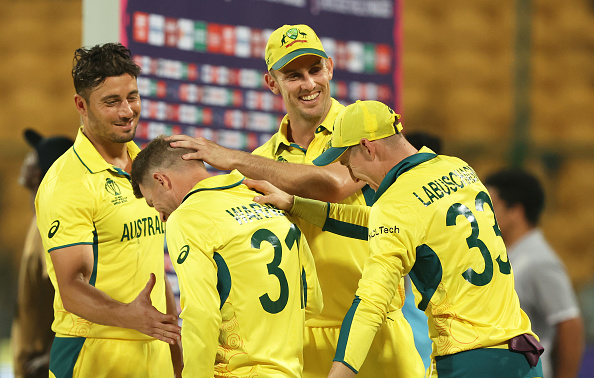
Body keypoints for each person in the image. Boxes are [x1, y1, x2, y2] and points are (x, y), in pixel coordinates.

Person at [167, 24, 424, 377]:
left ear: (330, 68)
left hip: (375, 327)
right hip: (297, 342)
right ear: (272, 83)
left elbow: (331, 185)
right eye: (293, 75)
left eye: (315, 69)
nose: (309, 84)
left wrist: (234, 159)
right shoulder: (263, 159)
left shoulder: (364, 133)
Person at [245, 100, 544, 378]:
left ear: (368, 147)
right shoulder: (459, 168)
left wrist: (339, 373)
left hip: (469, 360)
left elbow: (370, 302)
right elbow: (386, 222)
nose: (352, 173)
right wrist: (296, 204)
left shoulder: (396, 203)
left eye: (348, 160)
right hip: (523, 353)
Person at [34, 43, 181, 378]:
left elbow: (152, 266)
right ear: (81, 105)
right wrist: (131, 316)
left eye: (132, 97)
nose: (127, 111)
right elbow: (71, 287)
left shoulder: (144, 163)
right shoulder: (67, 183)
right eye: (112, 102)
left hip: (152, 346)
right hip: (92, 352)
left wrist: (176, 352)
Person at [129, 135, 323, 377]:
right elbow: (313, 303)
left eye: (153, 203)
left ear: (161, 180)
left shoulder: (188, 217)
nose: (161, 216)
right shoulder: (265, 196)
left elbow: (201, 315)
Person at [485, 169, 585, 378]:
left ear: (516, 211)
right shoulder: (506, 255)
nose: (482, 214)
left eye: (489, 206)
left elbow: (569, 323)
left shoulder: (540, 261)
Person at [11, 129, 73, 378]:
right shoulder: (40, 218)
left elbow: (76, 289)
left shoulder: (51, 224)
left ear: (38, 173)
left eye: (32, 156)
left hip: (45, 368)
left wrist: (56, 351)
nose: (25, 159)